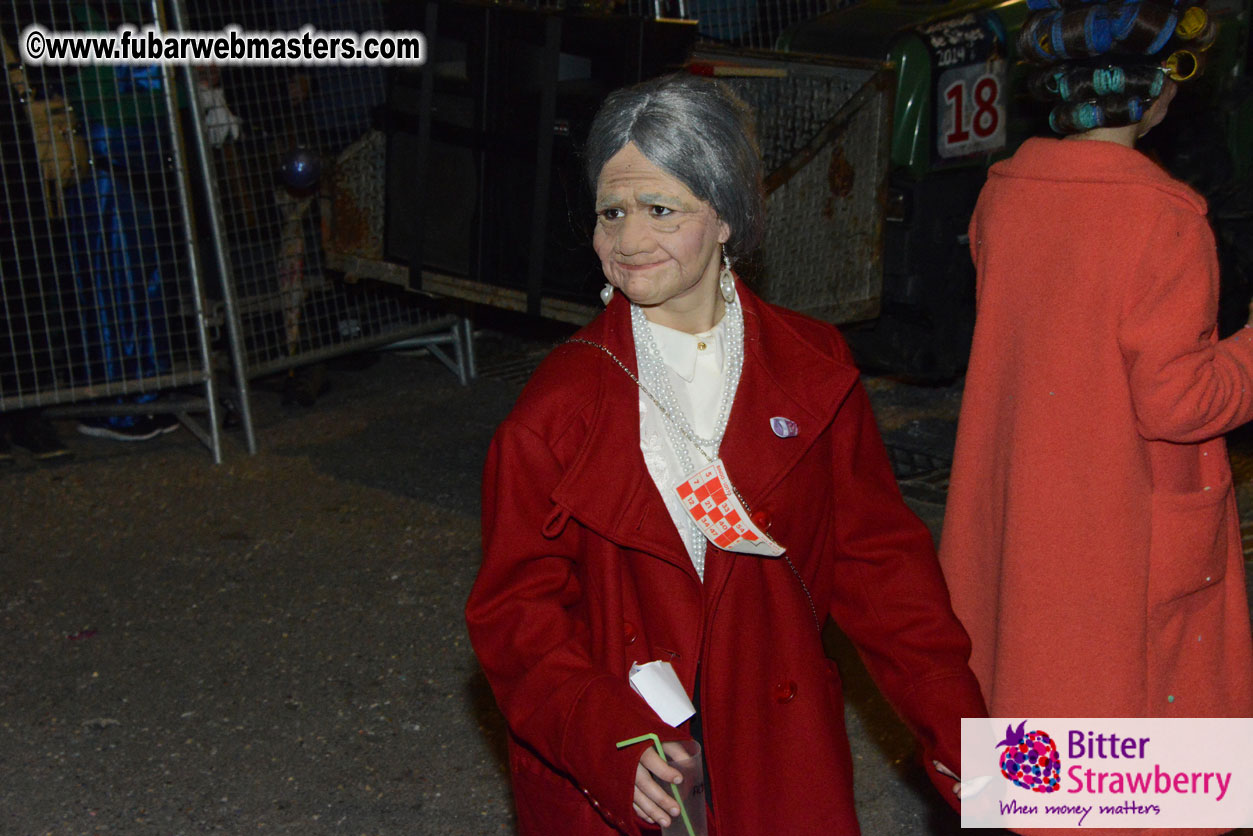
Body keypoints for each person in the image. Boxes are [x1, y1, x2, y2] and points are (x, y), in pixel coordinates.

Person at [466, 74, 986, 835]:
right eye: (612, 212)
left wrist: (966, 740)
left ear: (725, 219)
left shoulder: (813, 365)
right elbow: (515, 613)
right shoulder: (556, 410)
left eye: (660, 209)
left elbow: (881, 568)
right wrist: (606, 733)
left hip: (776, 739)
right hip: (642, 763)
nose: (629, 239)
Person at [939, 0, 1253, 740]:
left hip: (1027, 513)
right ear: (1157, 92)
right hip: (1121, 530)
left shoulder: (1003, 195)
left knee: (1031, 714)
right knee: (1131, 750)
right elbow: (1178, 401)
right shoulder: (1165, 218)